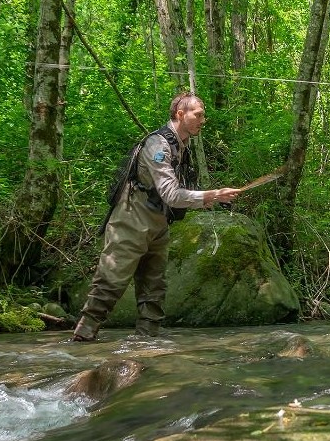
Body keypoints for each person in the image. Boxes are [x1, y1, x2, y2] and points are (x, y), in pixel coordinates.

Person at [73, 92, 241, 341]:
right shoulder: (158, 145)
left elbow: (175, 196)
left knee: (154, 290)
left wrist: (209, 200)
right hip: (131, 219)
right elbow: (171, 194)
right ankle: (81, 341)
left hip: (159, 223)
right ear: (180, 114)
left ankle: (146, 346)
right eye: (199, 114)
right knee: (110, 283)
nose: (203, 120)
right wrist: (212, 194)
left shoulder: (183, 147)